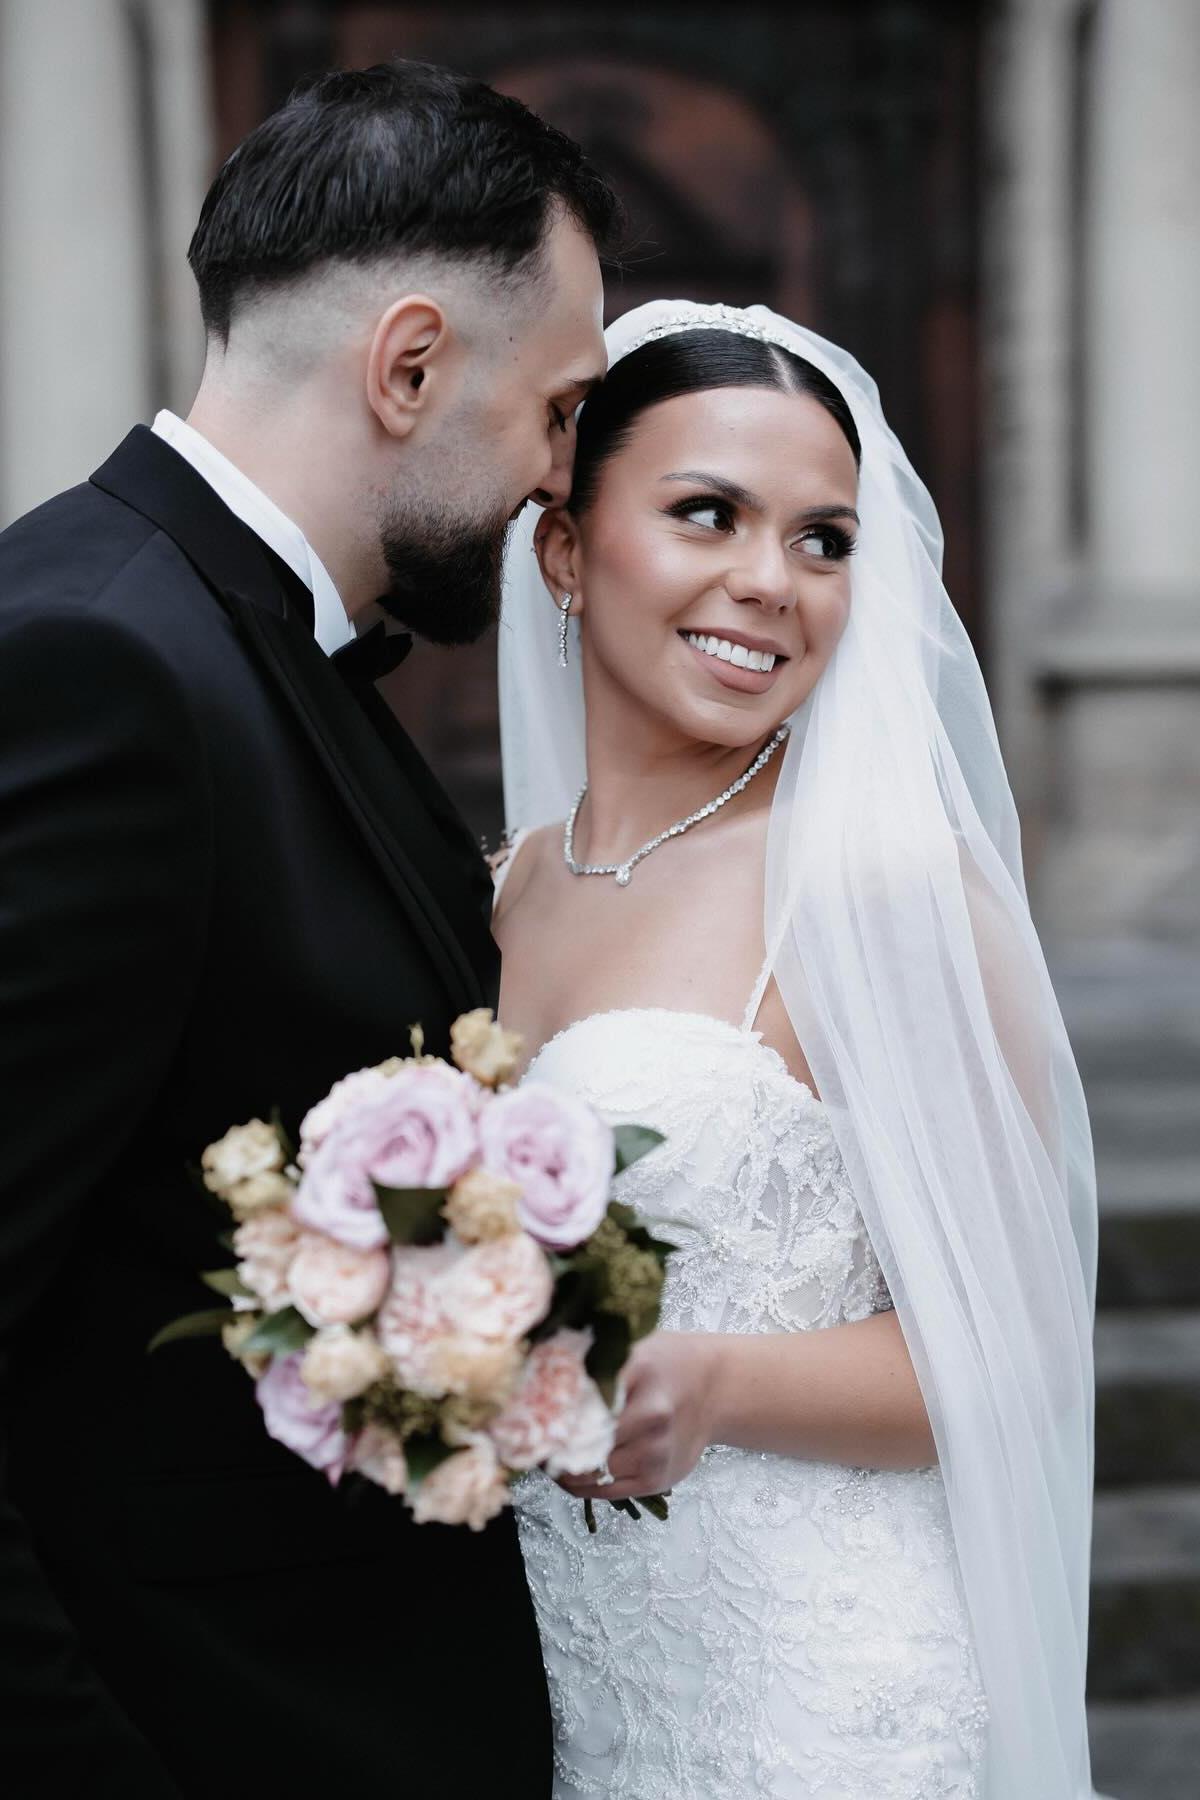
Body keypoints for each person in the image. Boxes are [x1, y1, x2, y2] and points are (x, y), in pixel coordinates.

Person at [0, 60, 613, 1796]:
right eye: (558, 411)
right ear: (410, 366)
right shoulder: (100, 669)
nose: (560, 484)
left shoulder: (251, 643)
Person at [493, 301, 1100, 1797]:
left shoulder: (877, 889)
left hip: (815, 1709)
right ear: (565, 549)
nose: (771, 583)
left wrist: (710, 1381)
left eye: (826, 542)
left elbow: (1016, 1356)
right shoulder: (499, 885)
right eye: (709, 516)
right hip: (560, 1678)